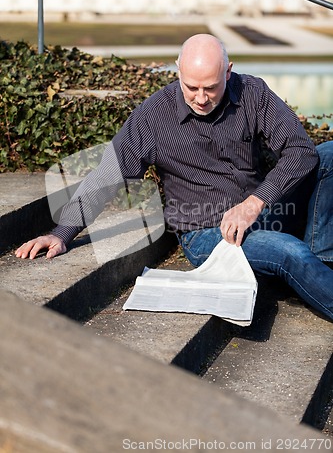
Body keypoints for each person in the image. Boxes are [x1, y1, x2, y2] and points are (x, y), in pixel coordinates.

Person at [16, 34, 333, 321]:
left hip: (260, 213)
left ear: (228, 72)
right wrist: (61, 233)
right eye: (191, 87)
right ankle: (313, 271)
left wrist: (255, 202)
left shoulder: (253, 93)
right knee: (291, 252)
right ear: (178, 71)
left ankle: (322, 262)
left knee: (329, 154)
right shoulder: (154, 115)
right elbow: (108, 174)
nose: (200, 98)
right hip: (207, 232)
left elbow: (301, 151)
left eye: (211, 87)